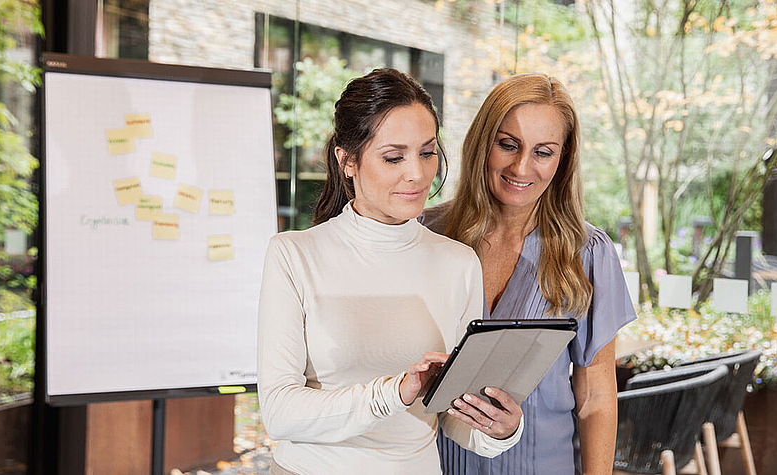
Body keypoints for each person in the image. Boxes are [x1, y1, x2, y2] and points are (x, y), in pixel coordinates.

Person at [256, 68, 525, 475]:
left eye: (427, 152)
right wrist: (394, 393)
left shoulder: (458, 263)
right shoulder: (294, 255)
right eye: (394, 157)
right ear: (347, 161)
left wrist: (499, 428)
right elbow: (280, 412)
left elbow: (451, 413)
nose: (416, 174)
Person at [421, 73, 637, 474]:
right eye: (508, 145)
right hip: (435, 463)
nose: (522, 166)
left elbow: (596, 398)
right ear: (482, 142)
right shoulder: (426, 234)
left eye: (543, 152)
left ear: (563, 158)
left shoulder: (587, 253)